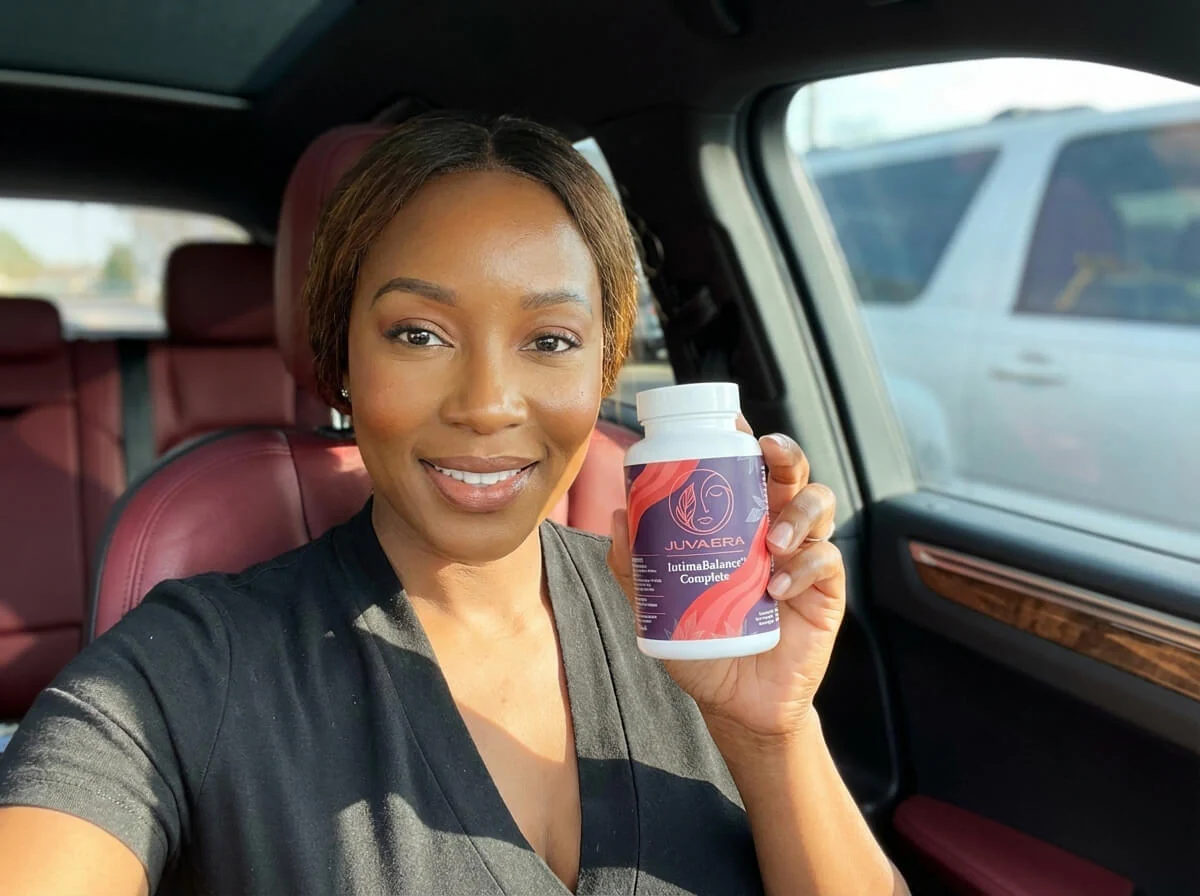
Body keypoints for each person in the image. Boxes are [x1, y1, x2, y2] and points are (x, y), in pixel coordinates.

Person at [0, 111, 908, 896]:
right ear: (342, 358)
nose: (487, 404)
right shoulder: (184, 670)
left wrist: (771, 736)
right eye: (419, 333)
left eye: (550, 340)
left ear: (604, 369)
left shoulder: (693, 615)